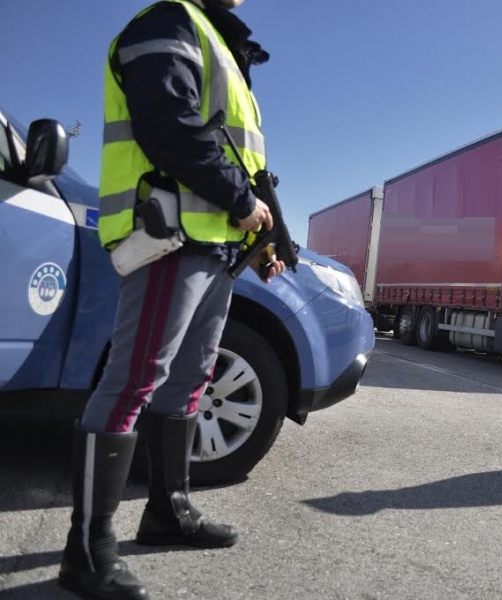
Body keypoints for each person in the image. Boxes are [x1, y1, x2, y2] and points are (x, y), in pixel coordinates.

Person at [58, 1, 284, 598]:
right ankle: (86, 551)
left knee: (189, 381)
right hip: (170, 234)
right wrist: (242, 203)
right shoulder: (169, 21)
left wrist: (260, 235)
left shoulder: (217, 40)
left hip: (213, 243)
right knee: (134, 379)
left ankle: (168, 510)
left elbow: (240, 157)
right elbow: (169, 126)